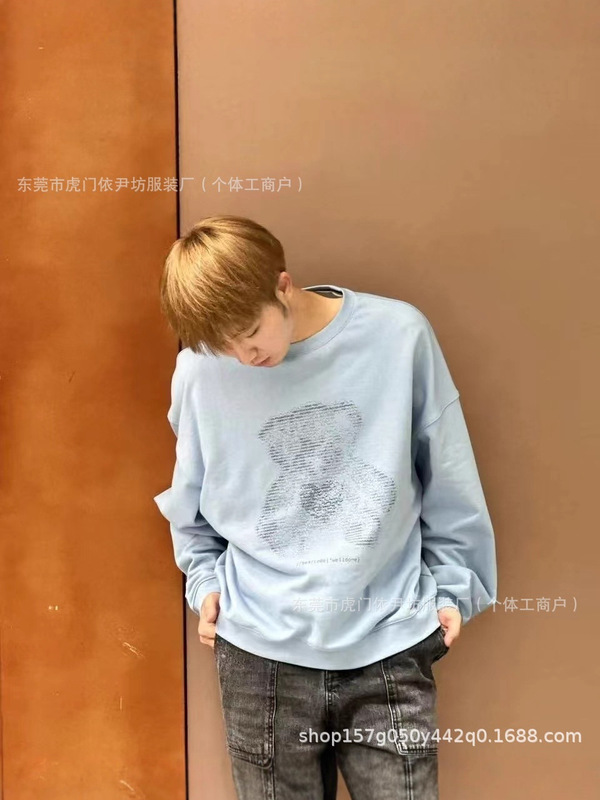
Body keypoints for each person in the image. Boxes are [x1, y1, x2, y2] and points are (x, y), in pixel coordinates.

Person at [153, 215, 497, 800]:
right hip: (259, 655)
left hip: (388, 642)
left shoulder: (398, 337)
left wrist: (453, 588)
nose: (243, 355)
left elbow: (449, 475)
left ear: (283, 285)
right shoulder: (199, 372)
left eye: (250, 331)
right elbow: (190, 501)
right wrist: (204, 582)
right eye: (223, 345)